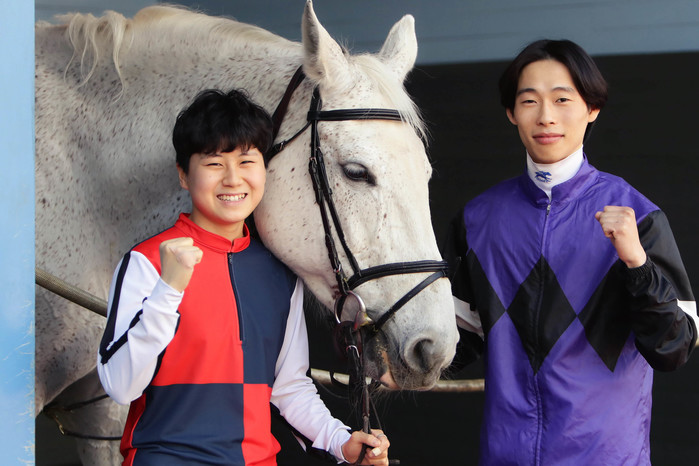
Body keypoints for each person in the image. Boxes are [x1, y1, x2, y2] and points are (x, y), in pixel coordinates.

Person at [97, 89, 390, 465]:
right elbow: (120, 385)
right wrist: (167, 290)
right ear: (184, 175)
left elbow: (288, 388)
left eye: (247, 161)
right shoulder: (146, 262)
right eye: (214, 163)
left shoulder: (279, 273)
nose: (233, 179)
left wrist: (341, 442)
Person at [443, 39, 698, 465]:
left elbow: (674, 347)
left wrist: (636, 263)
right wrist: (387, 357)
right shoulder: (477, 220)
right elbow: (457, 343)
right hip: (505, 455)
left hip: (607, 455)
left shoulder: (639, 216)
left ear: (592, 108)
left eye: (562, 99)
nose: (546, 116)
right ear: (511, 112)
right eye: (529, 101)